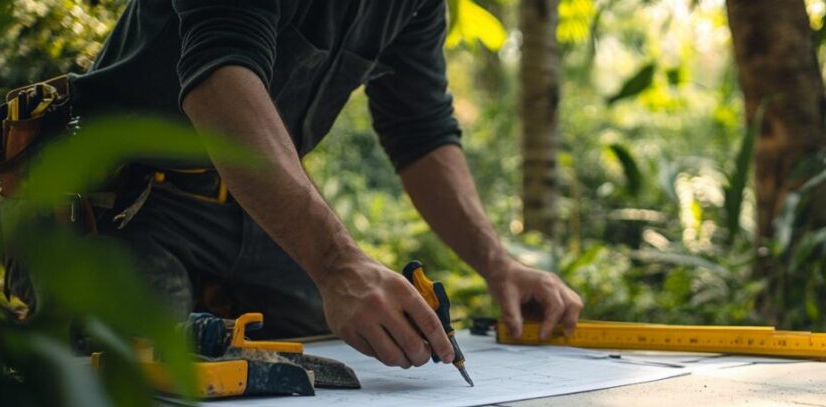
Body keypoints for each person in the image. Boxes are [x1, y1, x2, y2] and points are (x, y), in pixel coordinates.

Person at [63, 0, 583, 369]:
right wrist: (337, 264)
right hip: (128, 197)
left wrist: (498, 265)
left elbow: (421, 132)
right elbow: (219, 84)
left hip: (257, 208)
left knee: (337, 365)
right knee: (131, 384)